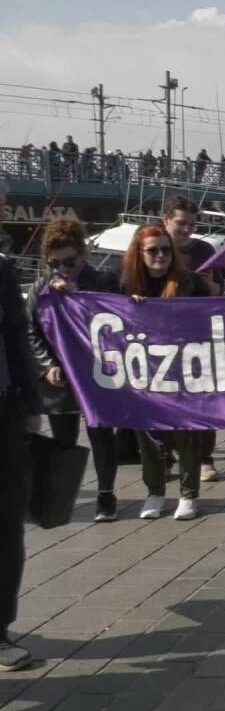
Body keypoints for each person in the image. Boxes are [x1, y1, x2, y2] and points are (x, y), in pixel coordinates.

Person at [25, 218, 123, 522]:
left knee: (101, 434)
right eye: (55, 262)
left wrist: (75, 295)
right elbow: (30, 329)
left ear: (83, 254)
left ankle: (106, 495)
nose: (63, 267)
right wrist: (47, 364)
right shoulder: (42, 286)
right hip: (59, 373)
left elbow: (116, 318)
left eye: (69, 261)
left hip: (95, 371)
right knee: (64, 440)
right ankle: (62, 497)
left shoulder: (103, 279)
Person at [121, 225, 215, 520]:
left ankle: (188, 495)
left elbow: (213, 312)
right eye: (152, 250)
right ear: (139, 253)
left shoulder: (189, 282)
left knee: (186, 432)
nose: (160, 255)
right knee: (147, 433)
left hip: (183, 367)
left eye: (165, 249)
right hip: (142, 370)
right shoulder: (124, 284)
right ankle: (155, 492)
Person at [163, 196, 225, 483]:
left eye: (191, 224)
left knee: (202, 399)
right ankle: (165, 454)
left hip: (199, 337)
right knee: (162, 398)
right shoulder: (154, 246)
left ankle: (204, 458)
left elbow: (219, 292)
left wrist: (212, 283)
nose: (187, 229)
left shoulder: (204, 250)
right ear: (166, 220)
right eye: (180, 223)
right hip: (160, 337)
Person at [1, 233, 39, 673]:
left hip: (5, 408)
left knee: (7, 521)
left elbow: (17, 337)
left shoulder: (3, 269)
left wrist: (31, 405)